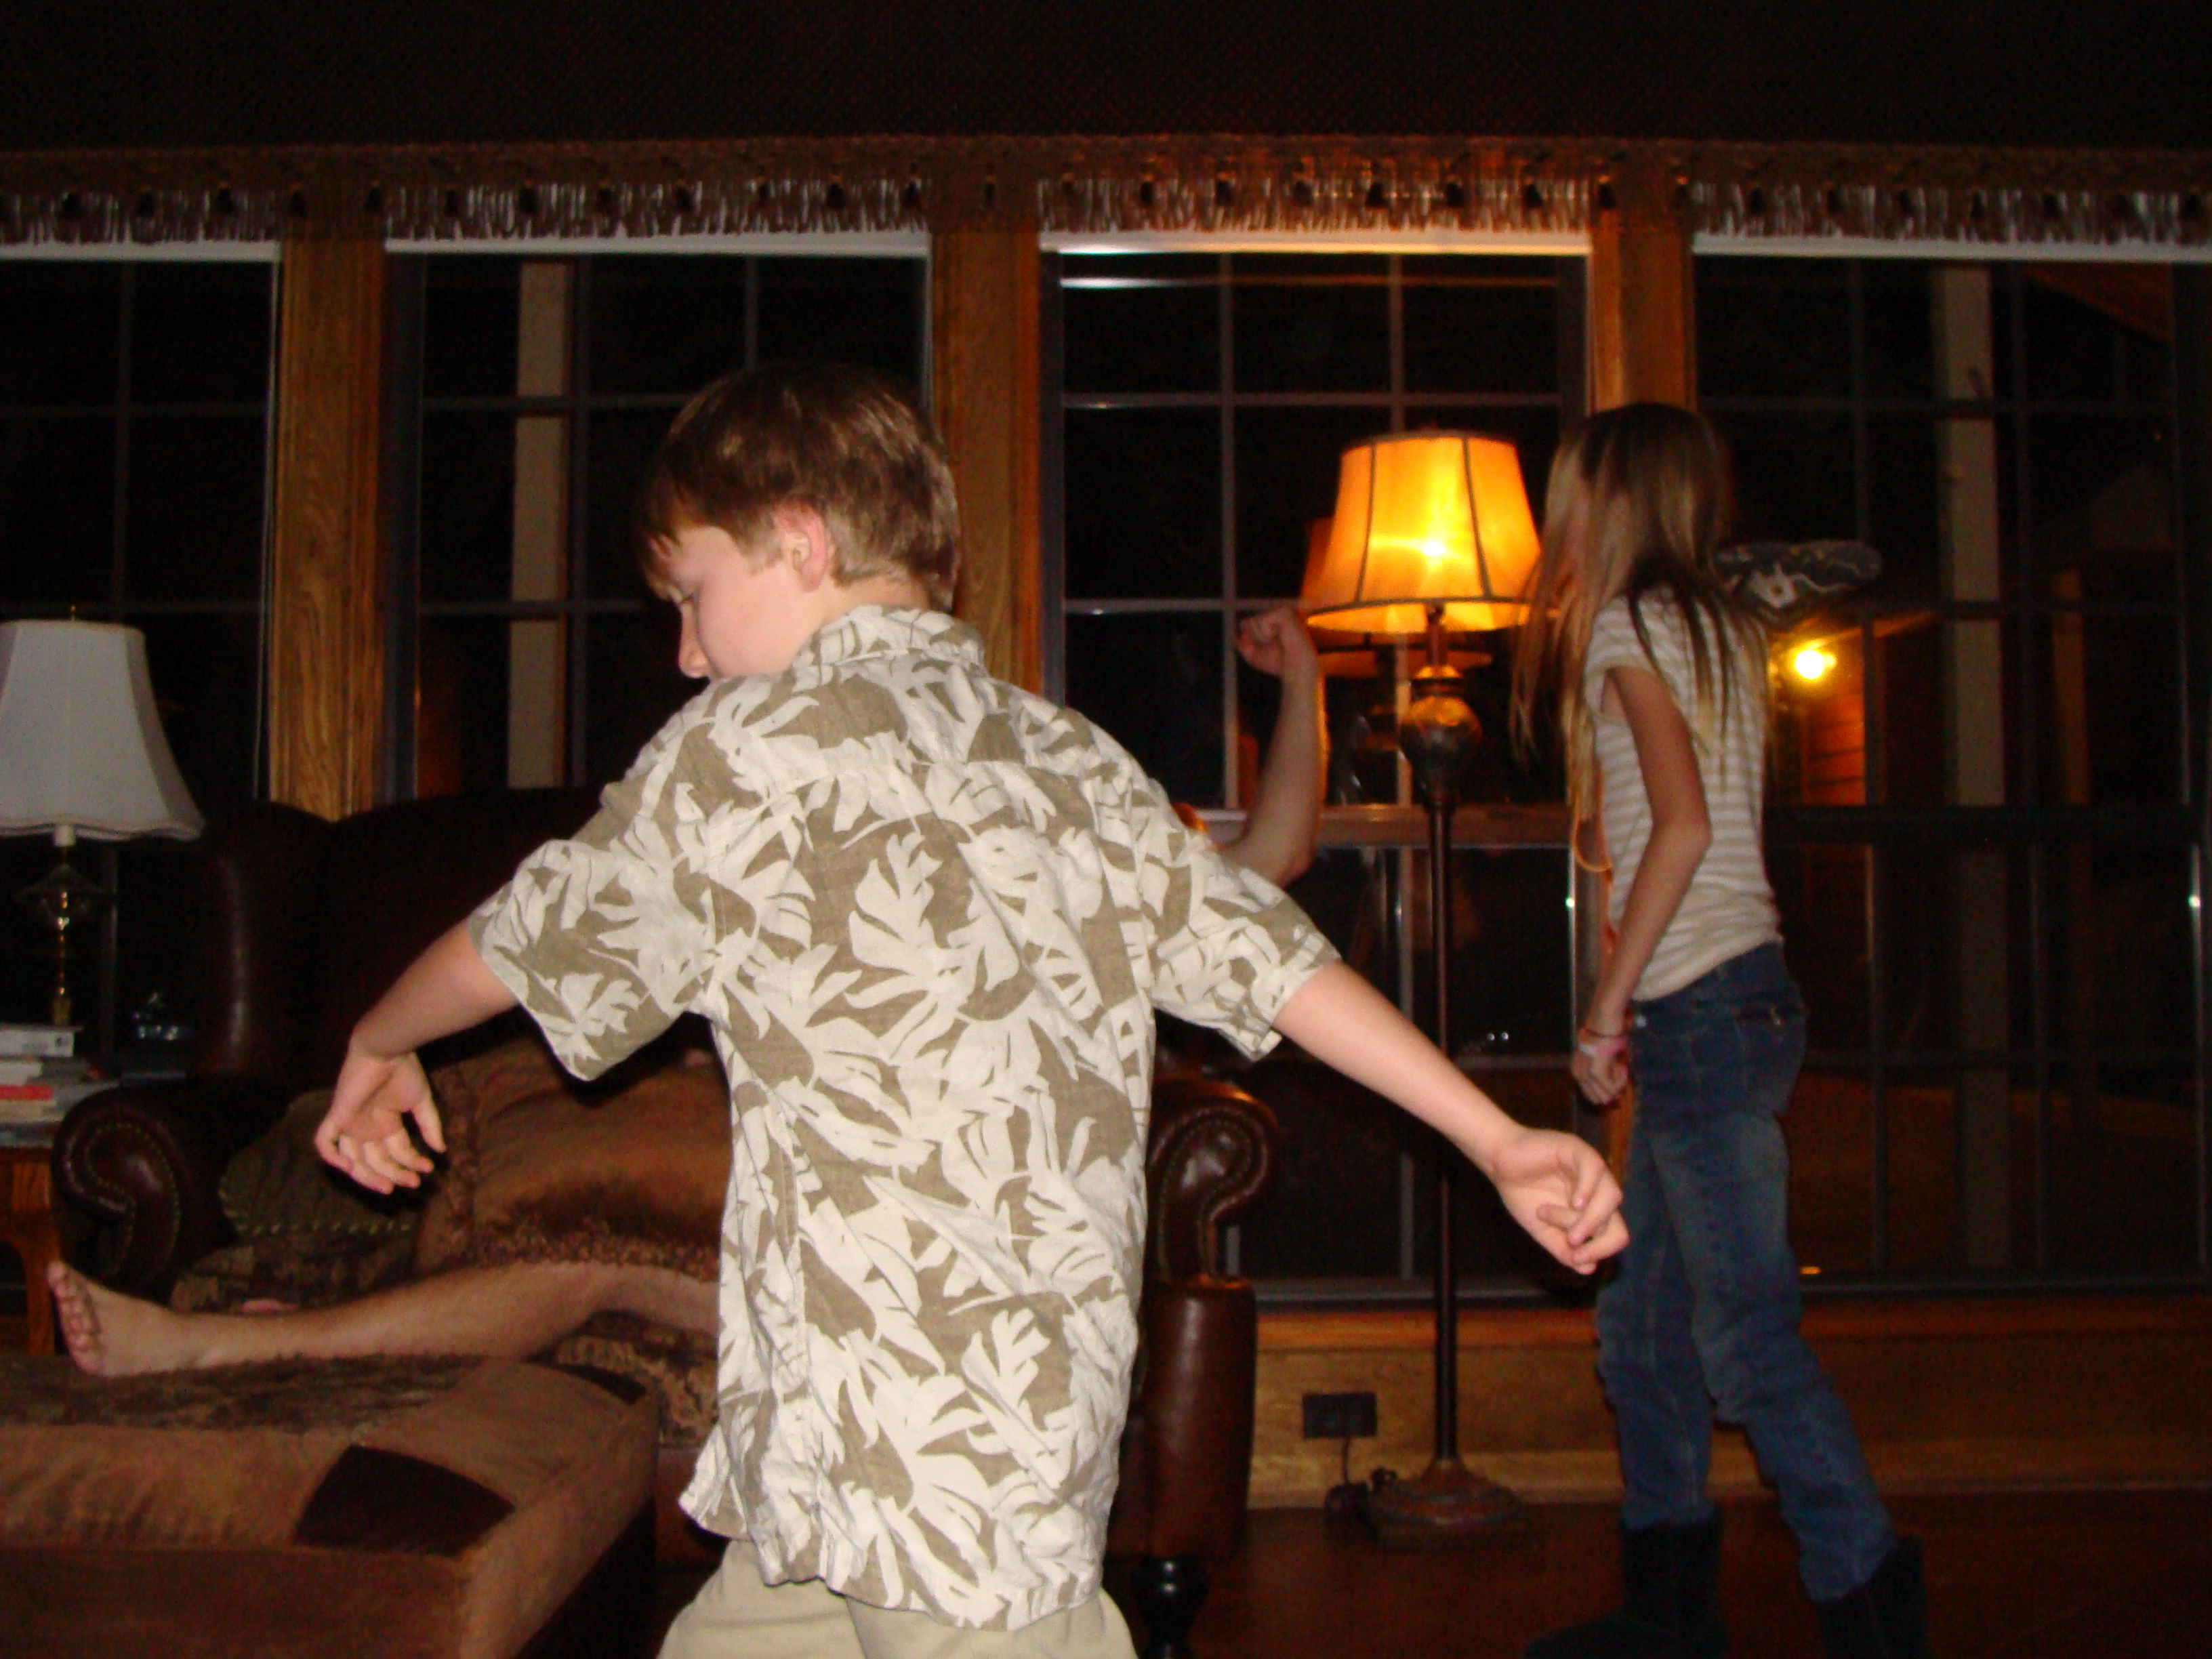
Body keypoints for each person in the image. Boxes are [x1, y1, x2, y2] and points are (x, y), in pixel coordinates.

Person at [73, 361, 1624, 1659]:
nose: (686, 649)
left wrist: (380, 1035)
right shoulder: (1063, 756)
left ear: (800, 544)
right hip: (858, 1457)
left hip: (941, 1487)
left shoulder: (741, 753)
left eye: (693, 595)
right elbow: (1279, 965)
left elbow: (516, 941)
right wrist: (1494, 1136)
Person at [44, 603, 1324, 1382]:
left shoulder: (1074, 805)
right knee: (569, 1220)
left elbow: (1269, 871)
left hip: (947, 1250)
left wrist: (1307, 684)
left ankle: (238, 1344)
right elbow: (552, 939)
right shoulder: (765, 798)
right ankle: (306, 1325)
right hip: (775, 1171)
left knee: (588, 1274)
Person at [1509, 403, 1927, 1659]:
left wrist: (1605, 1006)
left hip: (1697, 1008)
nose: (1559, 522)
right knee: (1642, 1334)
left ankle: (1872, 1614)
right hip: (1741, 1000)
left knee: (1743, 1340)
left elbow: (1681, 829)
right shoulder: (1726, 628)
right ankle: (1668, 1614)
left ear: (1609, 502)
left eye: (1573, 496)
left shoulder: (1629, 626)